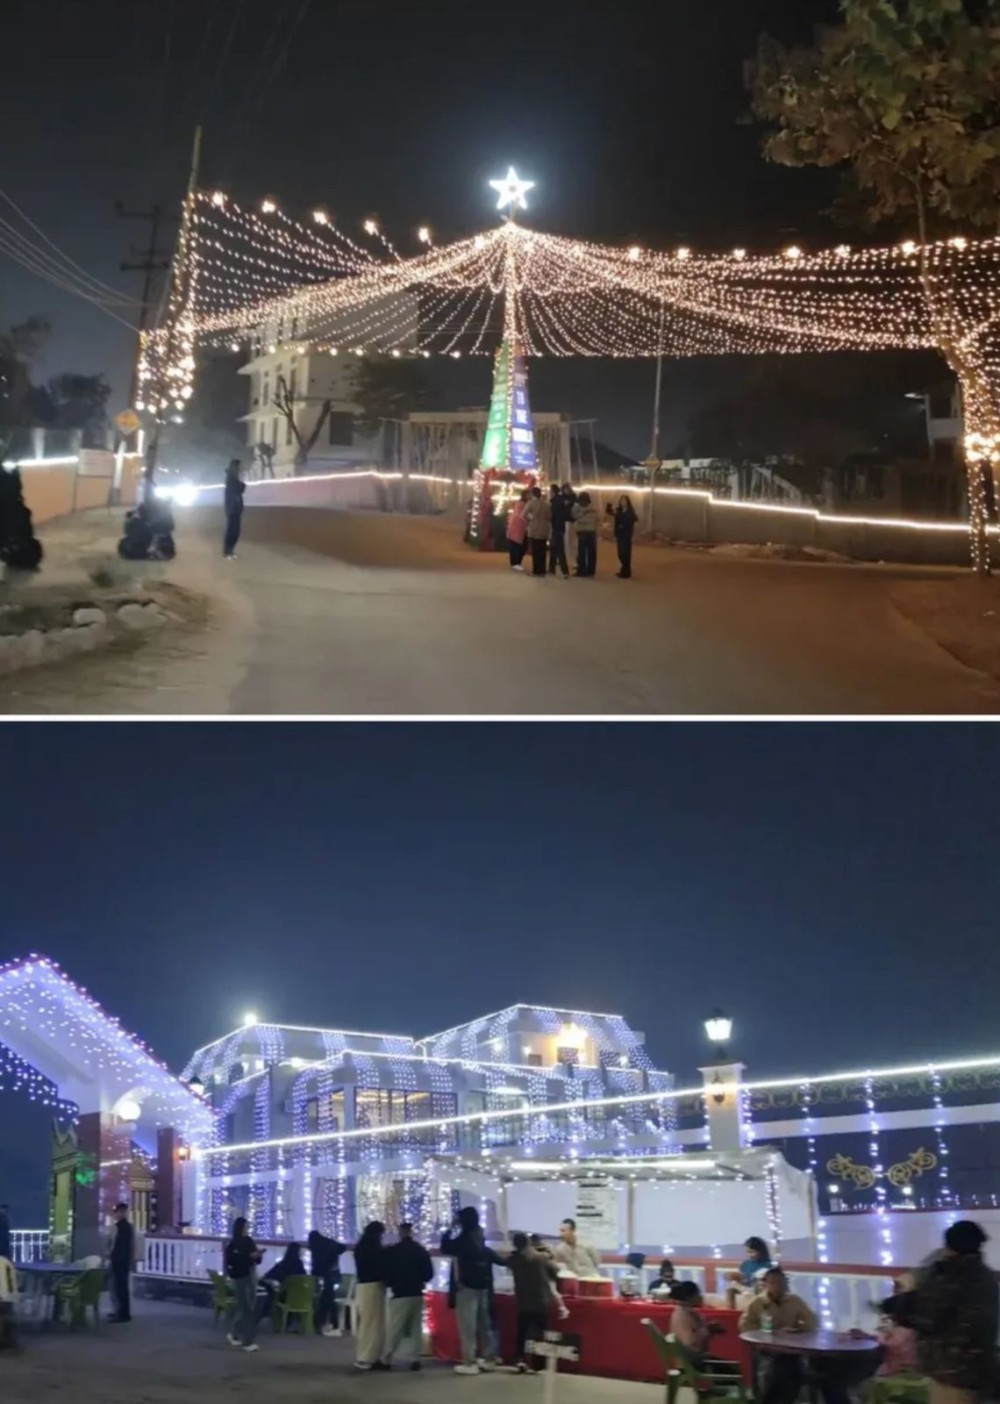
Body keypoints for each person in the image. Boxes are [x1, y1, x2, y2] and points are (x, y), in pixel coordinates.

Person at [885, 1220, 999, 1404]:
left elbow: (925, 1317)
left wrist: (904, 1295)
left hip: (952, 1371)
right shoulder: (984, 1276)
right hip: (981, 1367)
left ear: (948, 1246)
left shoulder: (950, 1277)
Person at [440, 1205, 506, 1375]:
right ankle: (489, 1358)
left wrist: (450, 1228)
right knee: (484, 1325)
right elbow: (498, 1259)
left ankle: (470, 1361)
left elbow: (445, 1247)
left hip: (466, 1288)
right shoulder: (480, 1240)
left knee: (467, 1327)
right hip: (483, 1287)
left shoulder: (462, 1240)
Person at [740, 1269, 821, 1404]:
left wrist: (797, 1329)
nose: (777, 1286)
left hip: (790, 1347)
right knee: (778, 1369)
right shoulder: (757, 1302)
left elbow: (811, 1321)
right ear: (765, 1284)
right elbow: (745, 1324)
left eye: (780, 1283)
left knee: (789, 1368)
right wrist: (764, 1333)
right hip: (766, 1348)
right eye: (772, 1283)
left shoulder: (794, 1301)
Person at [508, 1231, 565, 1373]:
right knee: (540, 1333)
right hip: (541, 1300)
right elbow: (556, 1271)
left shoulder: (513, 1260)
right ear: (529, 1243)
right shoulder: (541, 1258)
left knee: (522, 1332)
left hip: (523, 1301)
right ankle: (537, 1364)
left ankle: (520, 1360)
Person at [383, 1222, 434, 1371]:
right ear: (411, 1232)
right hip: (417, 1292)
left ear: (400, 1233)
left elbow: (387, 1272)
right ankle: (415, 1358)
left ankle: (387, 1358)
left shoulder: (393, 1251)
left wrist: (391, 1283)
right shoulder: (420, 1250)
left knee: (395, 1327)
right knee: (415, 1328)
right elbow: (429, 1273)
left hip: (400, 1293)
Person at [671, 1281, 733, 1369]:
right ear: (689, 1297)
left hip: (691, 1359)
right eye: (698, 1294)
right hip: (693, 1362)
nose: (701, 1297)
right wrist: (708, 1330)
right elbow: (689, 1341)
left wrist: (709, 1330)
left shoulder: (681, 1312)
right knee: (732, 1370)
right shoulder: (685, 1315)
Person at [353, 1220, 389, 1370]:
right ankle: (367, 1357)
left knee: (370, 1323)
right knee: (373, 1324)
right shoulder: (373, 1249)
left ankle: (369, 1356)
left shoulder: (361, 1247)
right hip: (373, 1286)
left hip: (364, 1286)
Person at [225, 1216, 263, 1353]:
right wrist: (250, 1257)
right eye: (246, 1227)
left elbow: (256, 1260)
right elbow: (233, 1260)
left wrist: (257, 1256)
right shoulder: (235, 1244)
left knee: (245, 1306)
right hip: (242, 1276)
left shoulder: (245, 1242)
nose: (247, 1229)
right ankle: (248, 1340)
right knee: (247, 1308)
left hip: (246, 1275)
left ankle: (234, 1333)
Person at [307, 1227, 346, 1337]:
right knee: (329, 1300)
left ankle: (323, 1323)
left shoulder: (316, 1249)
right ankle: (331, 1324)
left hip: (325, 1277)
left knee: (325, 1301)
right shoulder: (330, 1244)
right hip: (333, 1276)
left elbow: (316, 1267)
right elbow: (342, 1248)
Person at [259, 1241, 306, 1323]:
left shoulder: (282, 1265)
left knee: (273, 1296)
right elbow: (304, 1279)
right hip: (300, 1298)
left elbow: (266, 1277)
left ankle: (267, 1317)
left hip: (284, 1298)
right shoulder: (300, 1265)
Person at [108, 1202, 135, 1324]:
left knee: (121, 1288)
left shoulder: (123, 1228)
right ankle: (120, 1311)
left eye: (118, 1212)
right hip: (121, 1260)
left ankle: (123, 1313)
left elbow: (120, 1246)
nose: (116, 1214)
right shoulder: (123, 1227)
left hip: (120, 1261)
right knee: (118, 1287)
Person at [523, 486, 551, 577]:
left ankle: (536, 570)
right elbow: (550, 517)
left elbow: (523, 515)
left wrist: (530, 519)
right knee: (542, 550)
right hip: (544, 529)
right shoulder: (546, 504)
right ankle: (542, 570)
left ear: (533, 494)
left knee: (535, 551)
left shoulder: (531, 503)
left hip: (534, 529)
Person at [608, 494, 638, 578]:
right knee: (620, 553)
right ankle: (624, 570)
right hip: (619, 535)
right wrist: (610, 505)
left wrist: (623, 526)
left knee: (625, 554)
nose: (622, 502)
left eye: (624, 500)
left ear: (627, 502)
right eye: (621, 500)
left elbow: (633, 520)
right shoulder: (619, 511)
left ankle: (626, 572)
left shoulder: (630, 512)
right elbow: (610, 512)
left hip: (626, 535)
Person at [548, 484, 571, 579]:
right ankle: (551, 569)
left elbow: (551, 515)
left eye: (550, 491)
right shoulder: (562, 500)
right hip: (560, 527)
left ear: (553, 492)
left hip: (556, 527)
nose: (549, 493)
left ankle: (565, 571)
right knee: (553, 548)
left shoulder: (555, 502)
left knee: (559, 550)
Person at [572, 493, 598, 576]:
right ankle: (591, 570)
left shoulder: (577, 508)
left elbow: (574, 516)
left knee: (582, 552)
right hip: (592, 531)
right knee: (591, 552)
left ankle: (581, 570)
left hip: (582, 531)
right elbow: (596, 519)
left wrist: (581, 517)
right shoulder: (593, 508)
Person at [223, 459, 245, 559]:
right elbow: (240, 489)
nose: (240, 469)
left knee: (235, 531)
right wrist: (242, 483)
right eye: (239, 467)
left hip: (234, 508)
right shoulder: (231, 479)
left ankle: (230, 551)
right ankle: (227, 552)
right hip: (233, 509)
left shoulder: (232, 478)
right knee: (232, 531)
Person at [506, 492, 529, 570]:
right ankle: (515, 563)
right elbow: (523, 516)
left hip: (520, 528)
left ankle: (516, 562)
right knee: (516, 546)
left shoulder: (522, 503)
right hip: (517, 527)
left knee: (520, 546)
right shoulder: (522, 504)